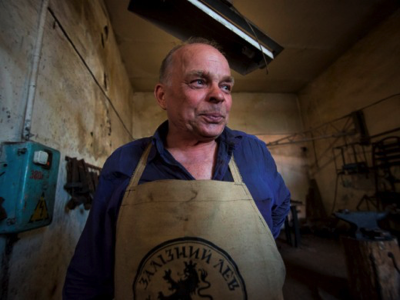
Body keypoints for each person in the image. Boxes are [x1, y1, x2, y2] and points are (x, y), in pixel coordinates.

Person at [63, 37, 290, 299]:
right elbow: (90, 271)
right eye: (199, 81)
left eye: (226, 86)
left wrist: (251, 251)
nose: (218, 95)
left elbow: (281, 205)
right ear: (162, 96)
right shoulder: (125, 163)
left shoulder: (253, 152)